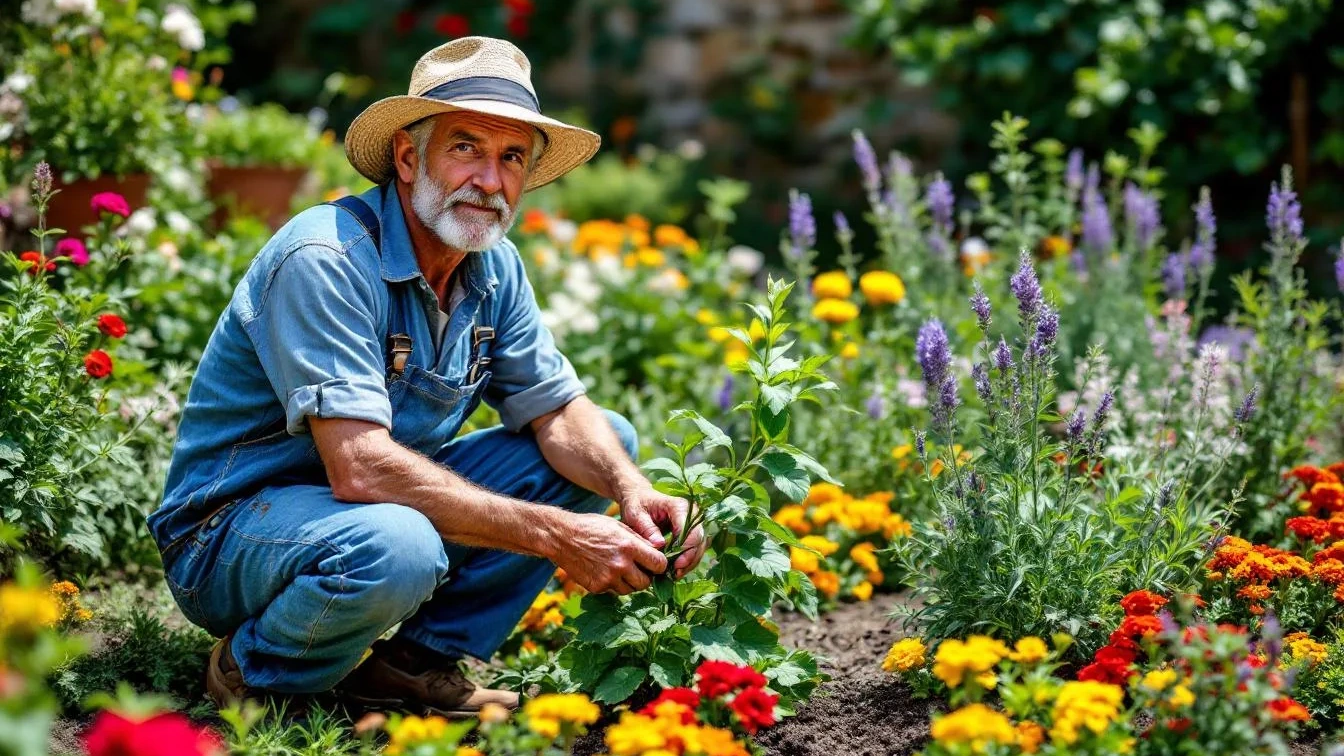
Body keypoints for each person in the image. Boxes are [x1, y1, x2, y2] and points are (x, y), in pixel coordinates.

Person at [147, 36, 706, 717]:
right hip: (229, 534)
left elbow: (558, 409)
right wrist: (557, 534)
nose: (491, 180)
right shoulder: (326, 256)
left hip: (357, 518)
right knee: (398, 545)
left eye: (511, 158)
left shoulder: (492, 269)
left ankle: (411, 667)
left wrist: (631, 488)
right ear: (409, 158)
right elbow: (361, 470)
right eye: (466, 147)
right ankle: (256, 672)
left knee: (600, 446)